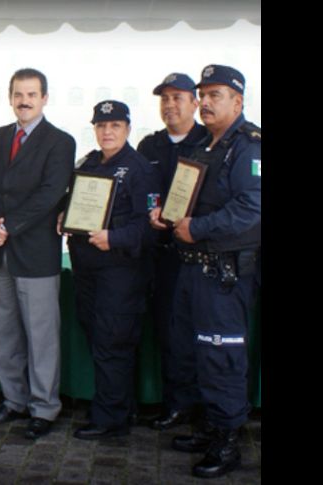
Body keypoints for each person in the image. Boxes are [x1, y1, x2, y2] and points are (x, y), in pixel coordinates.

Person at [150, 65, 260, 479]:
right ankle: (211, 427)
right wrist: (169, 216)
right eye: (204, 94)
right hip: (194, 270)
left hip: (225, 274)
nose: (207, 102)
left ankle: (228, 441)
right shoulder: (207, 148)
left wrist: (196, 227)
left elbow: (251, 210)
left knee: (222, 356)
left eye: (216, 95)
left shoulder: (249, 147)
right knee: (197, 352)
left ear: (238, 100)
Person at [0, 68, 75, 439]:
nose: (24, 100)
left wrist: (8, 226)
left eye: (32, 94)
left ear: (44, 98)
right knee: (4, 333)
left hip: (35, 253)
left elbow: (50, 194)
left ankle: (44, 407)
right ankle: (13, 400)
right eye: (18, 93)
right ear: (10, 97)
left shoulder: (60, 141)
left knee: (41, 336)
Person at [59, 100, 154, 440]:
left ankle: (109, 417)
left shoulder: (140, 169)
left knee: (113, 341)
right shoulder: (88, 163)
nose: (107, 131)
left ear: (127, 129)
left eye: (115, 125)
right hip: (87, 270)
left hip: (120, 272)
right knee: (98, 337)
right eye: (101, 126)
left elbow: (150, 226)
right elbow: (75, 203)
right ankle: (118, 405)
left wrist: (114, 237)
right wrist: (65, 216)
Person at [137, 72, 208, 430]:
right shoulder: (150, 146)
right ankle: (175, 404)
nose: (170, 105)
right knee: (168, 331)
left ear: (195, 103)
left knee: (199, 331)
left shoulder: (210, 141)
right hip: (160, 255)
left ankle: (203, 408)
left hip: (200, 255)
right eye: (164, 99)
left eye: (178, 98)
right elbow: (142, 192)